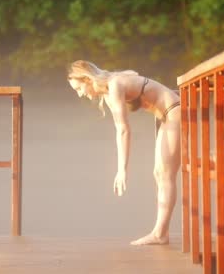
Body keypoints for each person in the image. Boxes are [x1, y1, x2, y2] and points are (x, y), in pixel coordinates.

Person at [67, 60, 181, 245]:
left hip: (174, 112)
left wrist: (122, 170)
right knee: (160, 174)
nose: (81, 94)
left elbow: (123, 130)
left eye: (79, 88)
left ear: (88, 80)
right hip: (167, 114)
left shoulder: (114, 85)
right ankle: (160, 233)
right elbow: (134, 73)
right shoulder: (113, 83)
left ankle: (160, 234)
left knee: (166, 175)